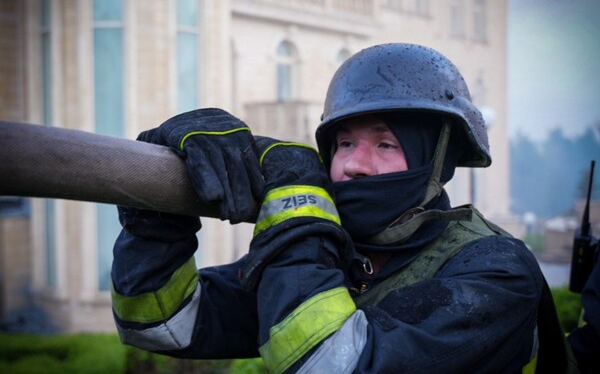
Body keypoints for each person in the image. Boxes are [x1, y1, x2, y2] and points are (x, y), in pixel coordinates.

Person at [111, 43, 578, 373]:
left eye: (386, 143)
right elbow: (162, 324)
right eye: (345, 142)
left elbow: (333, 364)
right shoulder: (339, 251)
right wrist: (156, 212)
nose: (355, 164)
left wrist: (297, 197)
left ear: (436, 161)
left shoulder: (496, 272)